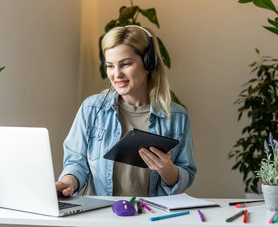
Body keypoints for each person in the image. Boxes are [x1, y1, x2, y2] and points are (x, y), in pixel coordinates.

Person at [56, 25, 197, 197]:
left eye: (126, 64)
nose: (116, 75)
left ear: (148, 64)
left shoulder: (177, 117)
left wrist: (166, 168)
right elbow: (76, 163)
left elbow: (186, 175)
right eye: (110, 66)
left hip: (152, 219)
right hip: (102, 218)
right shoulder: (91, 109)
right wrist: (66, 183)